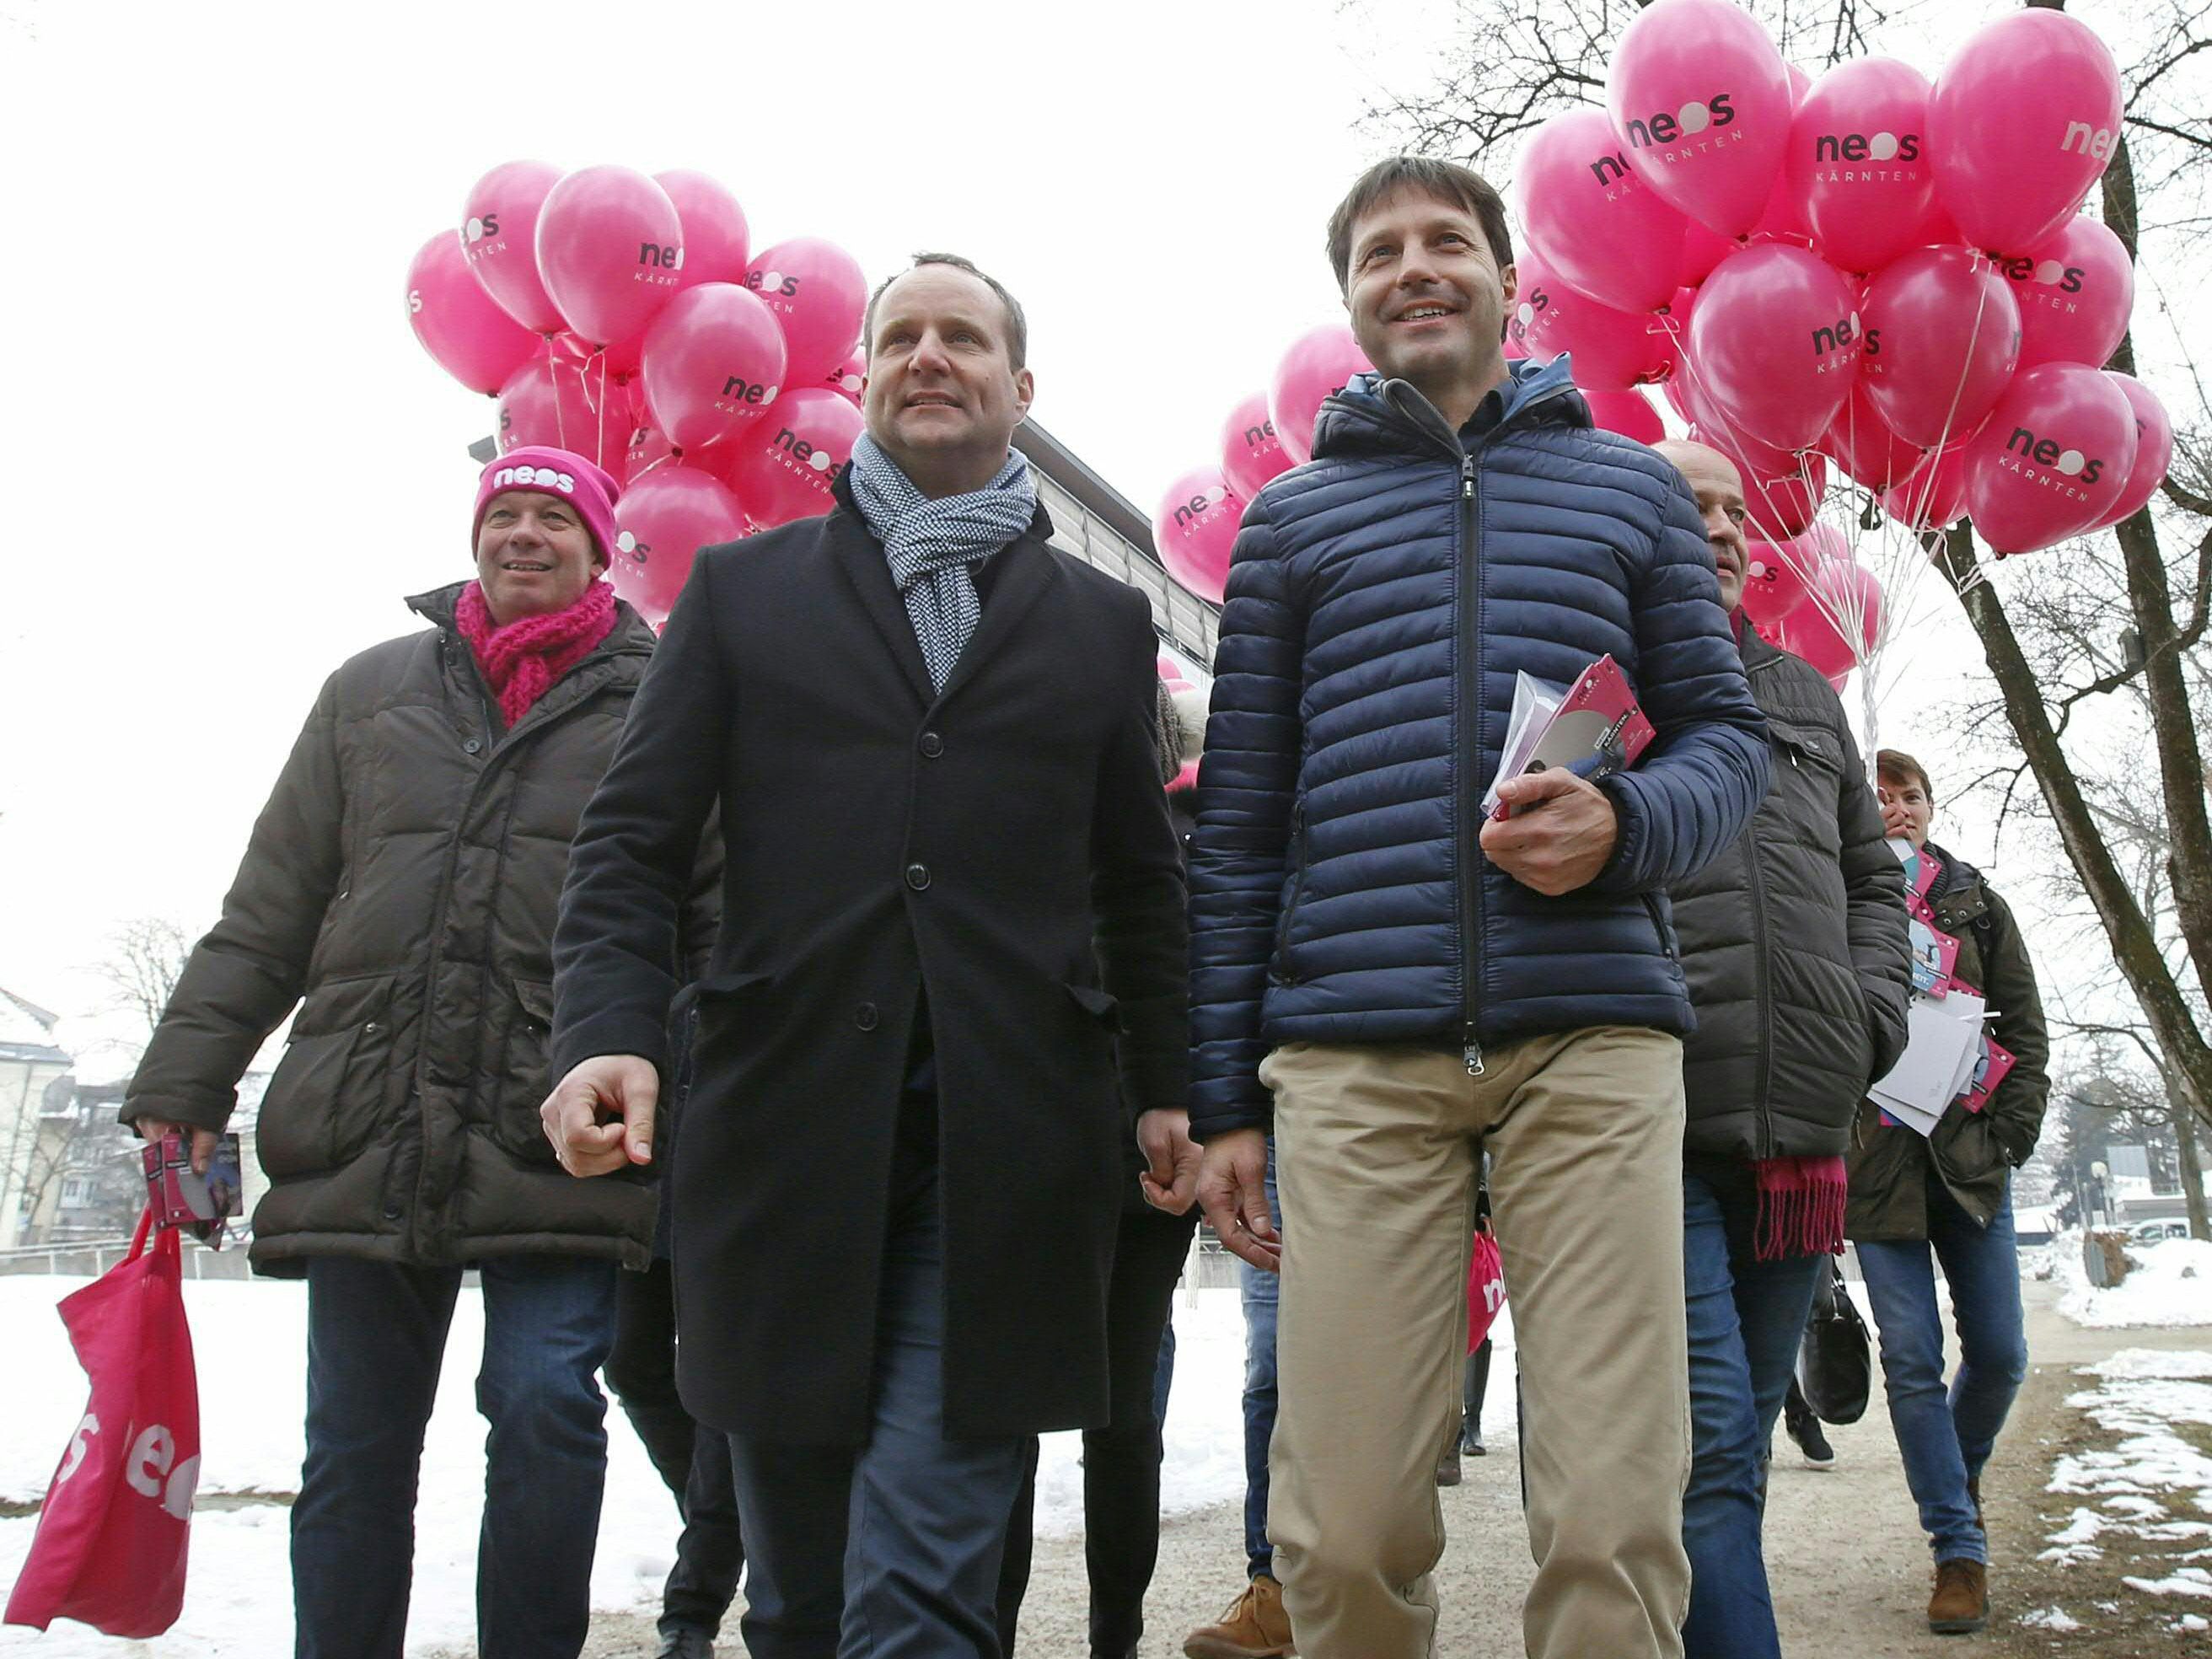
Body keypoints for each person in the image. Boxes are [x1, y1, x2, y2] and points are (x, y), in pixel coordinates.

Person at [541, 251, 1197, 1659]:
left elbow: (1142, 884)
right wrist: (606, 1028)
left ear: (1019, 387)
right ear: (864, 377)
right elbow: (630, 844)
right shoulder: (740, 594)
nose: (929, 356)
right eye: (901, 334)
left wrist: (1164, 1080)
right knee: (796, 1592)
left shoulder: (1098, 625)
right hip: (782, 1145)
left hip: (1004, 1148)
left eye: (964, 337)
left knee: (920, 1581)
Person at [1188, 156, 1770, 1659]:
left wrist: (1624, 818)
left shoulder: (1630, 487)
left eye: (1445, 239)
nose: (1413, 265)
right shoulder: (1289, 525)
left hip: (1592, 1037)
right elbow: (1239, 823)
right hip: (1352, 1048)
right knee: (1348, 1522)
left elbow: (1725, 741)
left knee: (1608, 1507)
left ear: (1510, 282)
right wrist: (1218, 1100)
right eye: (1377, 250)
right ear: (1349, 300)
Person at [122, 447, 709, 1659]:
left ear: (603, 551)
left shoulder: (669, 697)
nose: (524, 537)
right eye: (505, 517)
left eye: (556, 519)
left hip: (567, 1123)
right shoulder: (368, 691)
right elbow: (271, 907)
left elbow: (711, 917)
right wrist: (186, 1083)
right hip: (367, 1117)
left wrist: (689, 1081)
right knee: (354, 1443)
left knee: (548, 1412)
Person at [1652, 439, 1911, 1657]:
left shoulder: (1810, 696)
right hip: (1651, 1119)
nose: (1716, 525)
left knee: (1733, 1453)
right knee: (1708, 1451)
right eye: (1684, 503)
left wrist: (1874, 1013)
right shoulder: (1596, 678)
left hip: (1802, 1133)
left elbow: (1871, 878)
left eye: (1731, 510)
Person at [996, 683, 1205, 1659]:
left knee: (1107, 1417)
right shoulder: (1012, 834)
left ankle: (1110, 1635)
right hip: (1031, 1151)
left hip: (1136, 1160)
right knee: (1019, 1423)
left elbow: (1183, 991)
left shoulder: (1171, 848)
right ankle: (1005, 1630)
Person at [1848, 749, 2050, 1635]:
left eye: (1909, 796)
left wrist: (2007, 1136)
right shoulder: (1835, 903)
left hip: (1969, 1161)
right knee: (1908, 1359)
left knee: (2000, 1353)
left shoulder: (1976, 903)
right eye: (1880, 797)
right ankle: (1954, 1550)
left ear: (1930, 809)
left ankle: (1951, 1479)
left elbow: (2027, 1029)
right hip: (1878, 1165)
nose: (1895, 809)